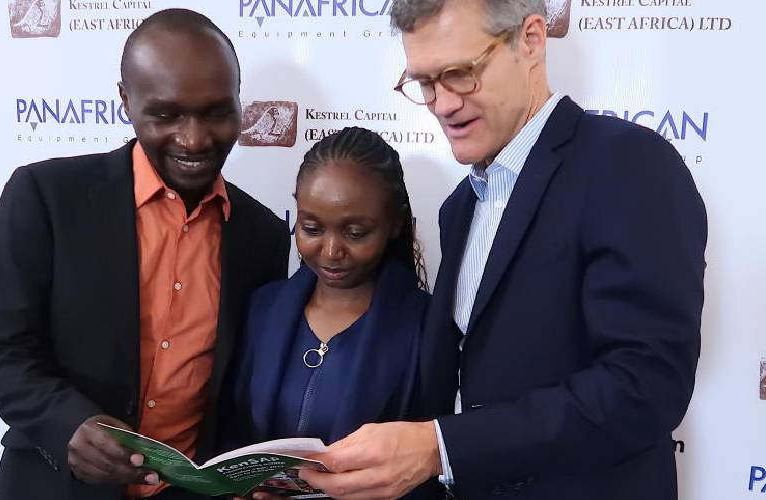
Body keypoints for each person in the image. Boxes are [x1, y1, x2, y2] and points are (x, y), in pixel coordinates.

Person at [300, 1, 707, 499]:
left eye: (459, 74)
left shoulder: (628, 164)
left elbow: (645, 386)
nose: (442, 104)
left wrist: (439, 448)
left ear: (530, 40)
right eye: (424, 83)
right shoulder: (459, 208)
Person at [0, 9, 289, 500]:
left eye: (216, 112)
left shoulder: (263, 234)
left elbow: (240, 387)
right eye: (166, 115)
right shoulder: (45, 196)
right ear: (126, 100)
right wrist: (70, 425)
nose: (194, 138)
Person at [222, 126, 430, 499]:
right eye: (312, 228)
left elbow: (429, 470)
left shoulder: (428, 327)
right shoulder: (261, 309)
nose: (331, 251)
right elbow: (233, 436)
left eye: (356, 233)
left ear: (395, 224)